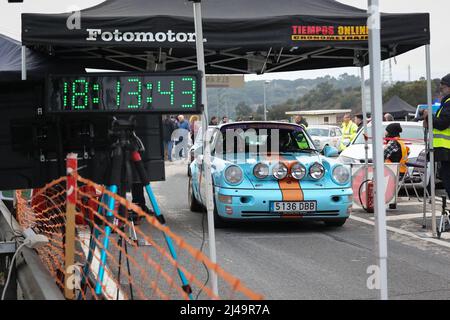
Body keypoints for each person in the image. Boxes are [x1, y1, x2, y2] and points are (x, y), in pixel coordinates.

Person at [424, 74, 450, 197]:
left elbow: (443, 123)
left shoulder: (449, 103)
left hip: (447, 150)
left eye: (443, 87)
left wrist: (429, 117)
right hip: (445, 151)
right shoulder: (446, 103)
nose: (441, 91)